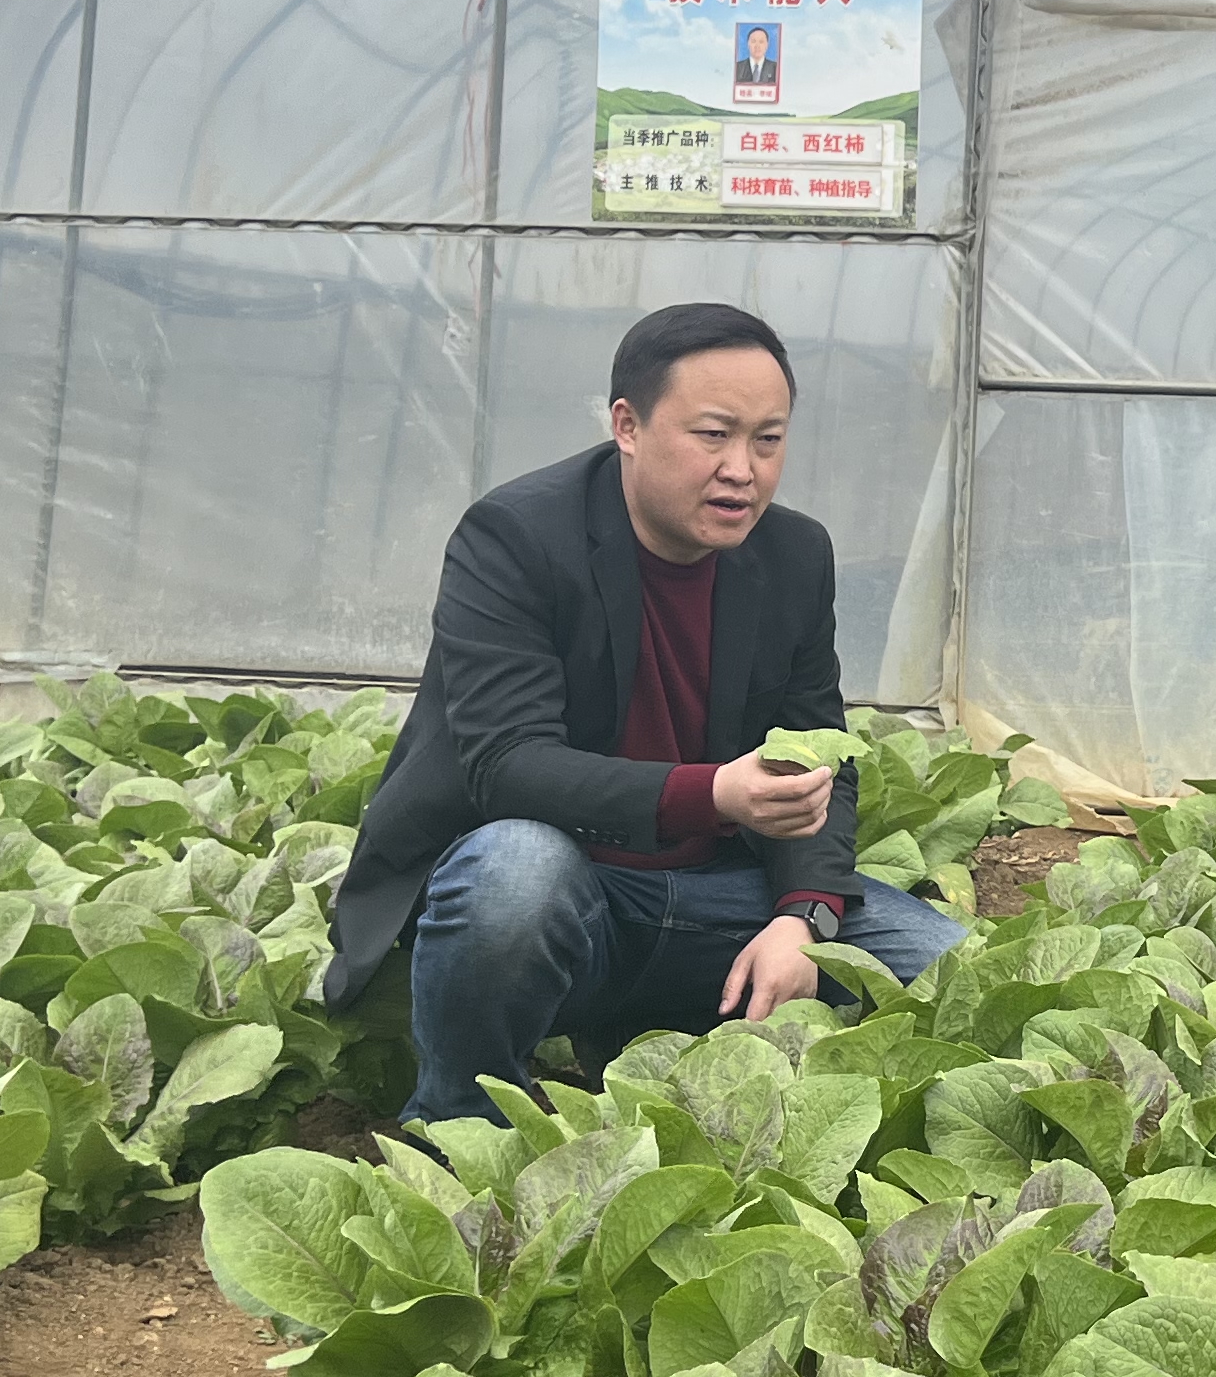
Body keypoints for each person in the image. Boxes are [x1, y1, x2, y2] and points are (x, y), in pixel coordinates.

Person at [319, 300, 968, 1123]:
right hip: (571, 893)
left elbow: (821, 759)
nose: (744, 469)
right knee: (516, 877)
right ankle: (457, 1125)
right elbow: (505, 763)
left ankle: (643, 1025)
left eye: (768, 440)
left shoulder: (796, 556)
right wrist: (713, 795)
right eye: (713, 435)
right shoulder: (517, 537)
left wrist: (802, 917)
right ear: (628, 425)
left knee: (948, 967)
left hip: (712, 897)